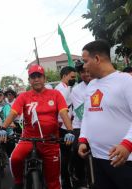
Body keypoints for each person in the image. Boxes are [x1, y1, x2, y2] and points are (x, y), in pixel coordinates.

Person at [2, 64, 74, 189]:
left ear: (44, 78)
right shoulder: (23, 96)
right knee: (15, 159)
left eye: (39, 76)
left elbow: (63, 112)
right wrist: (3, 128)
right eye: (33, 77)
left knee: (54, 183)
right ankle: (18, 183)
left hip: (50, 141)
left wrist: (70, 131)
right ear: (29, 81)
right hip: (28, 139)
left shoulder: (55, 94)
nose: (36, 79)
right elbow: (13, 113)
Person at [78, 40, 132, 189]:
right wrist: (83, 139)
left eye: (86, 61)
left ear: (97, 59)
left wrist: (127, 144)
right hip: (98, 158)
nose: (84, 66)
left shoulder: (126, 81)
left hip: (124, 160)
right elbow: (88, 116)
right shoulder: (92, 86)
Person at [69, 60, 92, 187]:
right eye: (82, 71)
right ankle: (78, 177)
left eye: (88, 70)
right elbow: (83, 115)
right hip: (81, 125)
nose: (86, 73)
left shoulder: (100, 83)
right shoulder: (77, 90)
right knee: (77, 149)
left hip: (99, 125)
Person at [54, 65, 76, 188]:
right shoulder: (62, 90)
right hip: (63, 127)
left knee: (66, 155)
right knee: (64, 156)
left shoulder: (66, 88)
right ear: (64, 76)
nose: (74, 79)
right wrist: (69, 129)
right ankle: (65, 181)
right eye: (72, 77)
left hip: (65, 126)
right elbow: (62, 111)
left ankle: (65, 179)